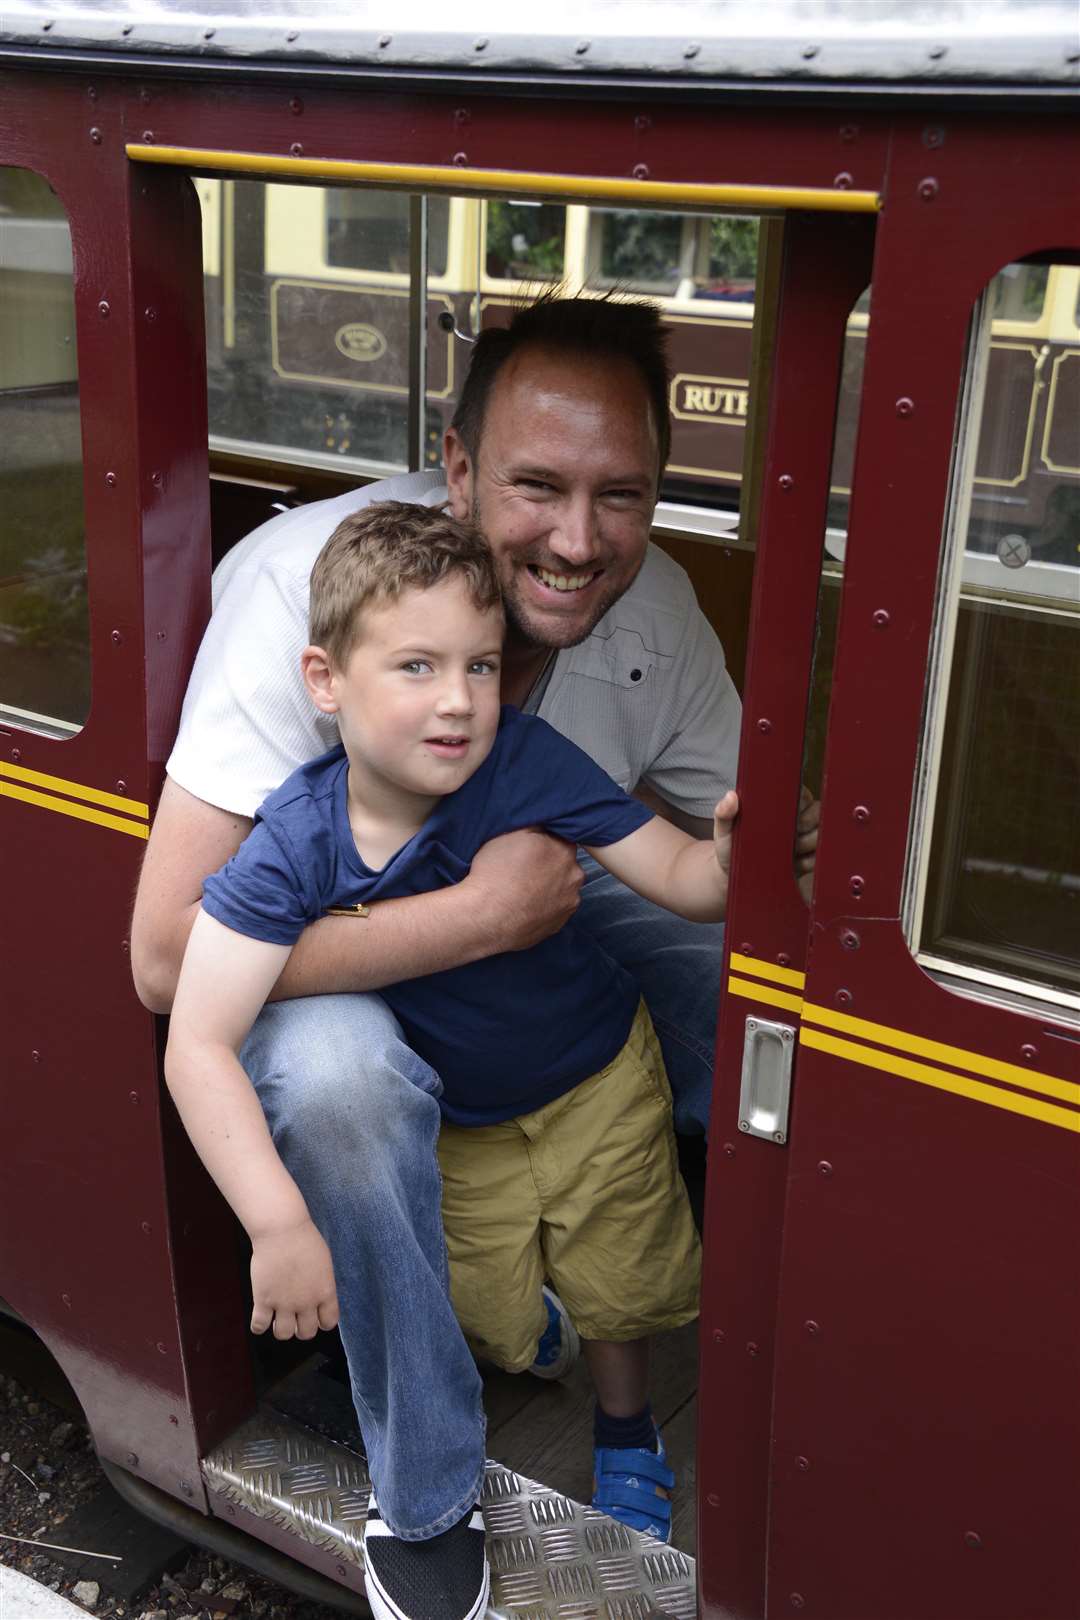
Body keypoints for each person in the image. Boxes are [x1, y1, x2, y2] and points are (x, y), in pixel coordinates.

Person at [131, 294, 816, 1620]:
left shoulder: (650, 609)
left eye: (622, 495)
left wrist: (778, 848)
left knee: (721, 961)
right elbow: (168, 960)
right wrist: (469, 922)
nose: (578, 539)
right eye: (537, 486)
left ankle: (754, 1308)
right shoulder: (305, 595)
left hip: (531, 891)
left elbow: (722, 858)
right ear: (455, 470)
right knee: (341, 1085)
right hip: (310, 946)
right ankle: (424, 1483)